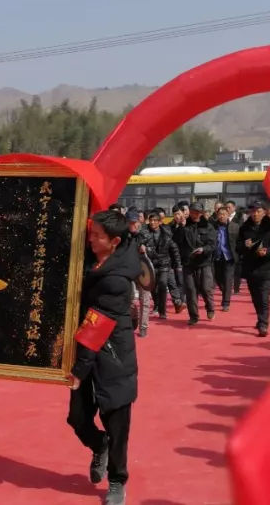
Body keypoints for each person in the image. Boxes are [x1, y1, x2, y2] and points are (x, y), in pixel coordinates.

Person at [67, 210, 138, 505]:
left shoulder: (117, 279)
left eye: (97, 236)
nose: (91, 239)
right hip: (86, 351)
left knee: (116, 425)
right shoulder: (92, 260)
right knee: (78, 418)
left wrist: (79, 370)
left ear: (115, 241)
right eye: (91, 233)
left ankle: (117, 481)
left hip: (113, 357)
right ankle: (99, 445)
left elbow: (96, 326)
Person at [238, 201, 270, 337]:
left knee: (264, 297)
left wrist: (267, 251)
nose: (255, 214)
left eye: (258, 211)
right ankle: (260, 317)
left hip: (266, 268)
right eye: (253, 211)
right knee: (255, 297)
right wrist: (244, 245)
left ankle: (263, 324)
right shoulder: (244, 228)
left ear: (264, 212)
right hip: (251, 268)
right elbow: (237, 247)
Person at [181, 204, 217, 325]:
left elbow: (212, 245)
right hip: (188, 263)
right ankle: (193, 316)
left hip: (204, 262)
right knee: (191, 291)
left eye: (197, 212)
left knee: (206, 288)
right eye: (192, 212)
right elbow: (176, 241)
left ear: (201, 213)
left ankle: (210, 308)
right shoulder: (184, 225)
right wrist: (181, 227)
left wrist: (203, 249)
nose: (194, 214)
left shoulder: (208, 226)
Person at [146, 209, 181, 318]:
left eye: (155, 220)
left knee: (162, 284)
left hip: (164, 264)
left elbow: (174, 249)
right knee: (153, 287)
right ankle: (157, 305)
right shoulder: (144, 233)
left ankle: (163, 311)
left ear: (159, 222)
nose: (152, 222)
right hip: (150, 265)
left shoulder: (166, 234)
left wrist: (178, 264)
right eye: (151, 220)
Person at [125, 208, 152, 337]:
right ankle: (134, 318)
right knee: (130, 299)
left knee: (144, 300)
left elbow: (156, 251)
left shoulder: (146, 234)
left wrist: (146, 250)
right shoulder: (123, 236)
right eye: (129, 222)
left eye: (134, 222)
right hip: (129, 271)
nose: (132, 225)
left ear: (138, 222)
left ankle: (143, 327)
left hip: (143, 271)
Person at [212, 206, 239, 311]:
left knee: (228, 280)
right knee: (218, 279)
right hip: (217, 257)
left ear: (228, 215)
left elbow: (238, 241)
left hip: (229, 257)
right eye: (220, 214)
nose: (222, 216)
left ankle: (226, 303)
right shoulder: (213, 227)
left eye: (224, 214)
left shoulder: (234, 227)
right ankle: (225, 293)